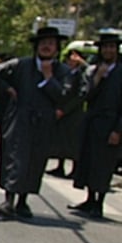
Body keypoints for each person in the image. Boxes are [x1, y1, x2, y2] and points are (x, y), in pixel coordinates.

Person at [0, 25, 71, 220]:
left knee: (34, 161)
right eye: (43, 43)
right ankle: (8, 200)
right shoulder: (21, 64)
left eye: (51, 44)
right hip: (19, 118)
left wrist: (48, 77)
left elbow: (64, 95)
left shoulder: (62, 71)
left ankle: (22, 201)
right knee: (14, 157)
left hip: (43, 122)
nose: (46, 47)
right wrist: (8, 88)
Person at [69, 33, 122, 219]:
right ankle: (89, 198)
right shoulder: (92, 71)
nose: (108, 50)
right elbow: (85, 95)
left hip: (111, 124)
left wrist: (119, 130)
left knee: (104, 164)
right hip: (92, 122)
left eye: (112, 47)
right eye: (105, 47)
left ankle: (99, 201)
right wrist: (97, 78)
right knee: (88, 160)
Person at [45, 44, 89, 179]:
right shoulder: (66, 72)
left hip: (74, 113)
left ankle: (75, 169)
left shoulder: (83, 73)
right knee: (61, 141)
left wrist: (65, 109)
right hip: (62, 111)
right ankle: (60, 166)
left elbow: (81, 95)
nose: (72, 60)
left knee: (73, 143)